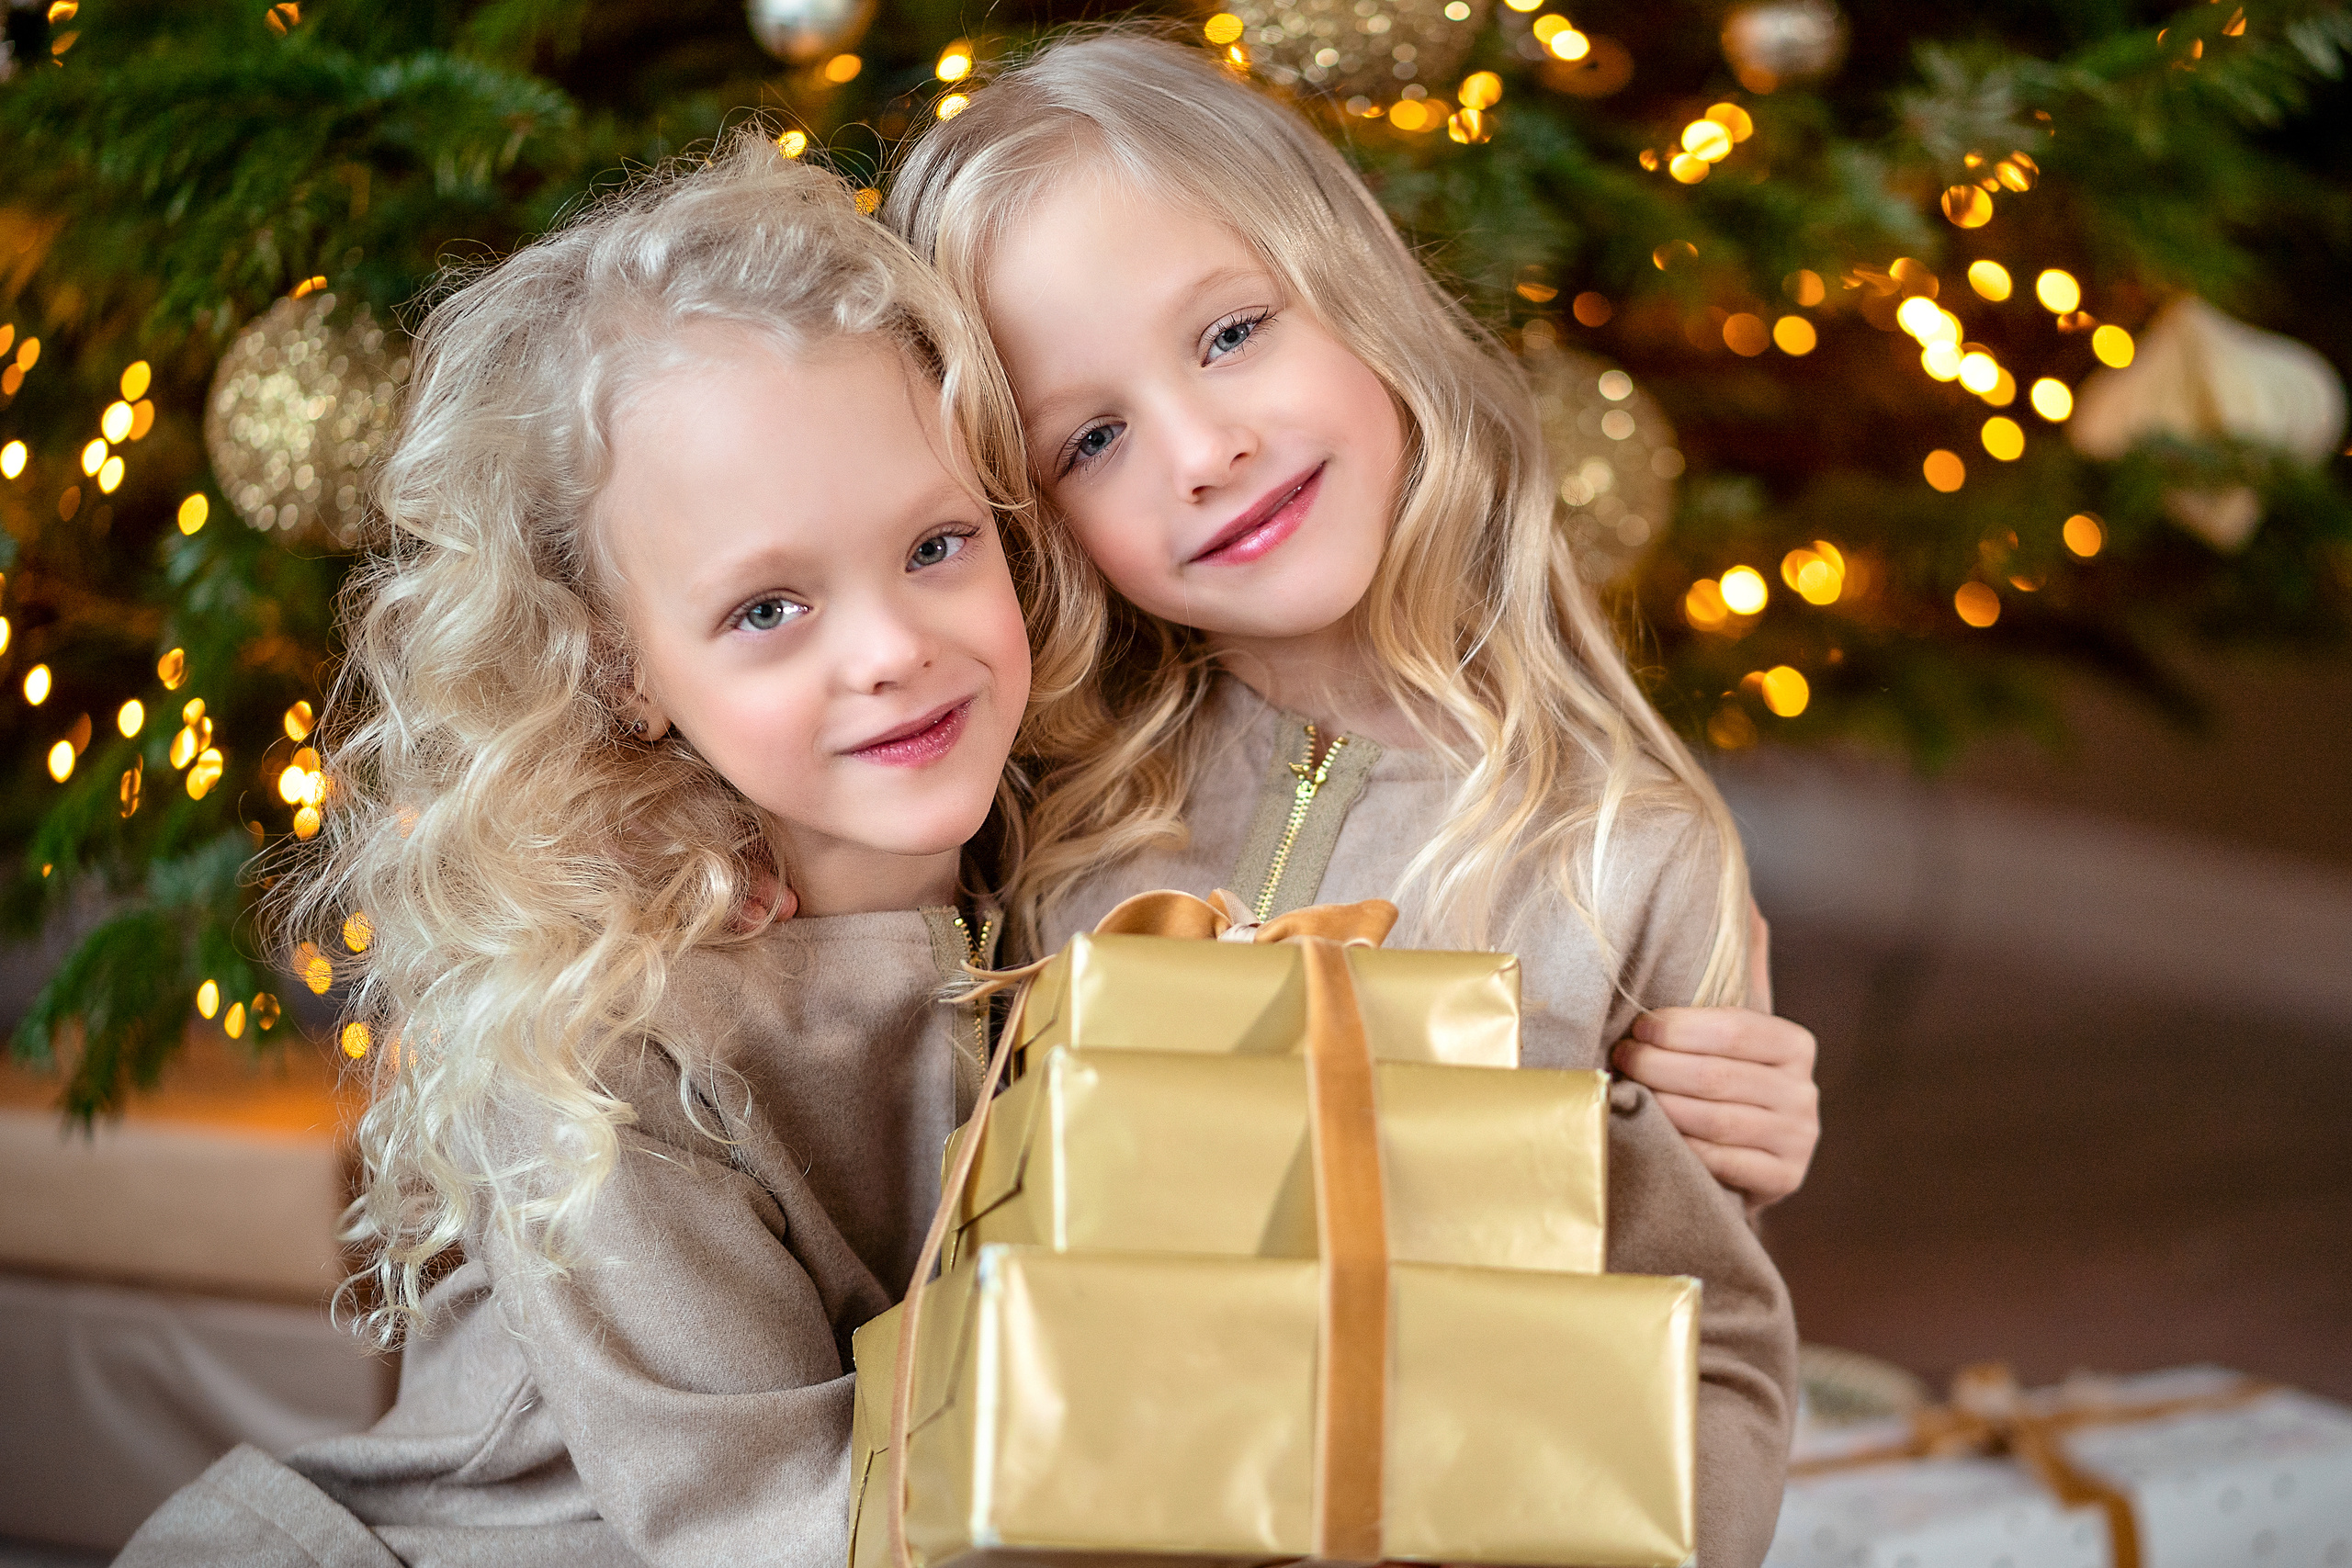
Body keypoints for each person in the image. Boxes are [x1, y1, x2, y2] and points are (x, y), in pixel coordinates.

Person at [885, 32, 1803, 1564]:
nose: (1201, 449)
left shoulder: (1625, 859)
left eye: (1233, 332)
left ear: (1358, 289)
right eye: (1092, 438)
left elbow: (1700, 1359)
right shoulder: (1037, 816)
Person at [115, 130, 1078, 1568]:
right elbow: (770, 1531)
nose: (893, 650)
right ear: (624, 670)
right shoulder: (608, 1036)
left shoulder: (1066, 876)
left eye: (936, 546)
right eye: (767, 609)